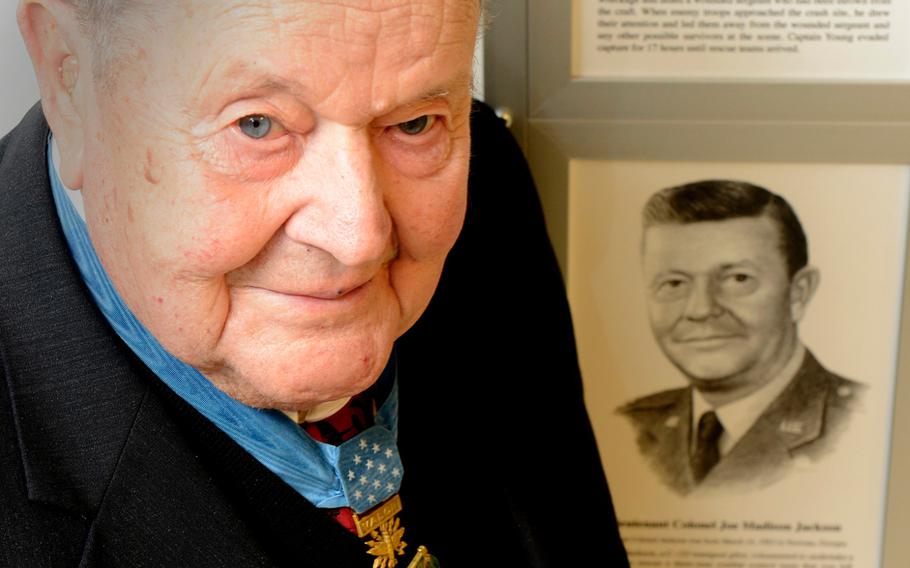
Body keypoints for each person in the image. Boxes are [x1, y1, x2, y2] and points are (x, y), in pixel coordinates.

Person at [0, 0, 628, 566]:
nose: (358, 238)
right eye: (257, 125)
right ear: (67, 78)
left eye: (413, 124)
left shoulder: (485, 172)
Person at [620, 180, 863, 496]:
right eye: (675, 283)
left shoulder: (857, 423)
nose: (701, 309)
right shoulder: (627, 426)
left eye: (738, 279)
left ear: (798, 294)